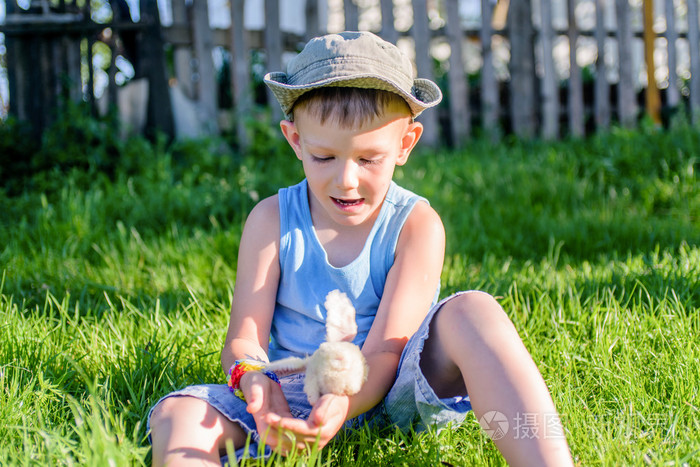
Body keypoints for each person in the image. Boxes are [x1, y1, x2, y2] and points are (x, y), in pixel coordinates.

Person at [148, 31, 573, 466]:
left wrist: (345, 403)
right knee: (178, 412)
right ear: (295, 140)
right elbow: (243, 338)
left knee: (473, 310)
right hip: (292, 396)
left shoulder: (415, 225)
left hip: (394, 396)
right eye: (324, 157)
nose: (346, 179)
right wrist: (254, 381)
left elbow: (389, 348)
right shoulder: (271, 220)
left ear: (405, 144)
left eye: (369, 159)